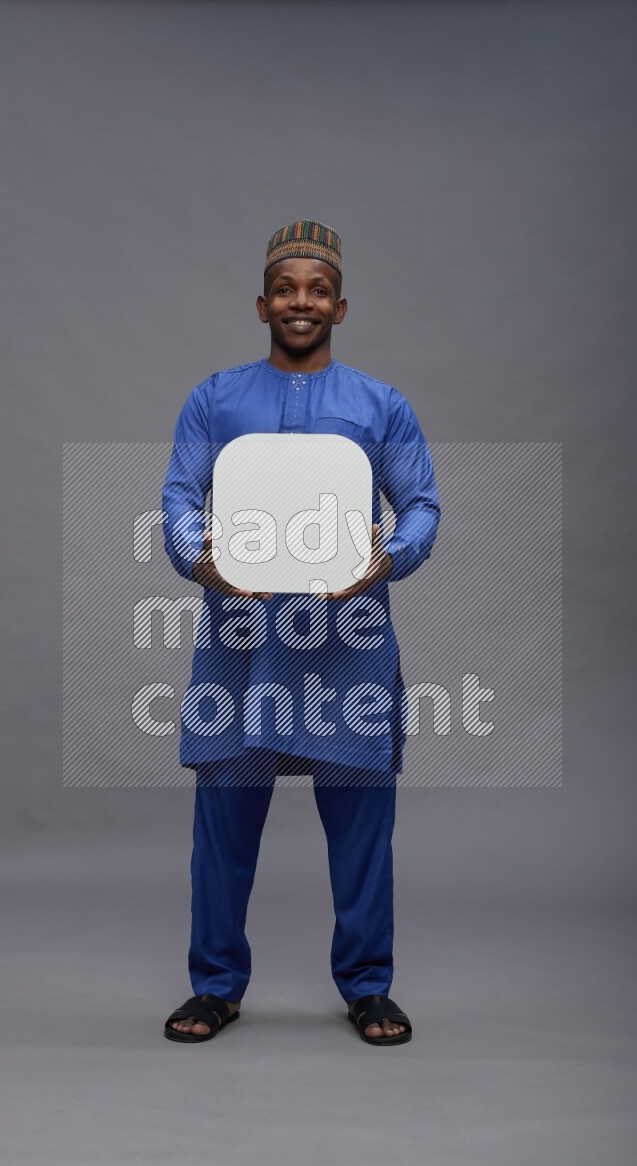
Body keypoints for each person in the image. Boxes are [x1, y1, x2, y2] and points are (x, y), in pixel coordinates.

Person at [161, 219, 440, 1045]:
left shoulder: (380, 405)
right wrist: (197, 557)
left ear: (341, 306)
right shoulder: (214, 399)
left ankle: (367, 984)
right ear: (261, 303)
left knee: (361, 829)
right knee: (222, 822)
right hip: (242, 640)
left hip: (347, 642)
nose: (301, 301)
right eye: (286, 288)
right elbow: (179, 498)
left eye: (317, 289)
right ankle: (215, 983)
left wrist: (387, 559)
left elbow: (420, 503)